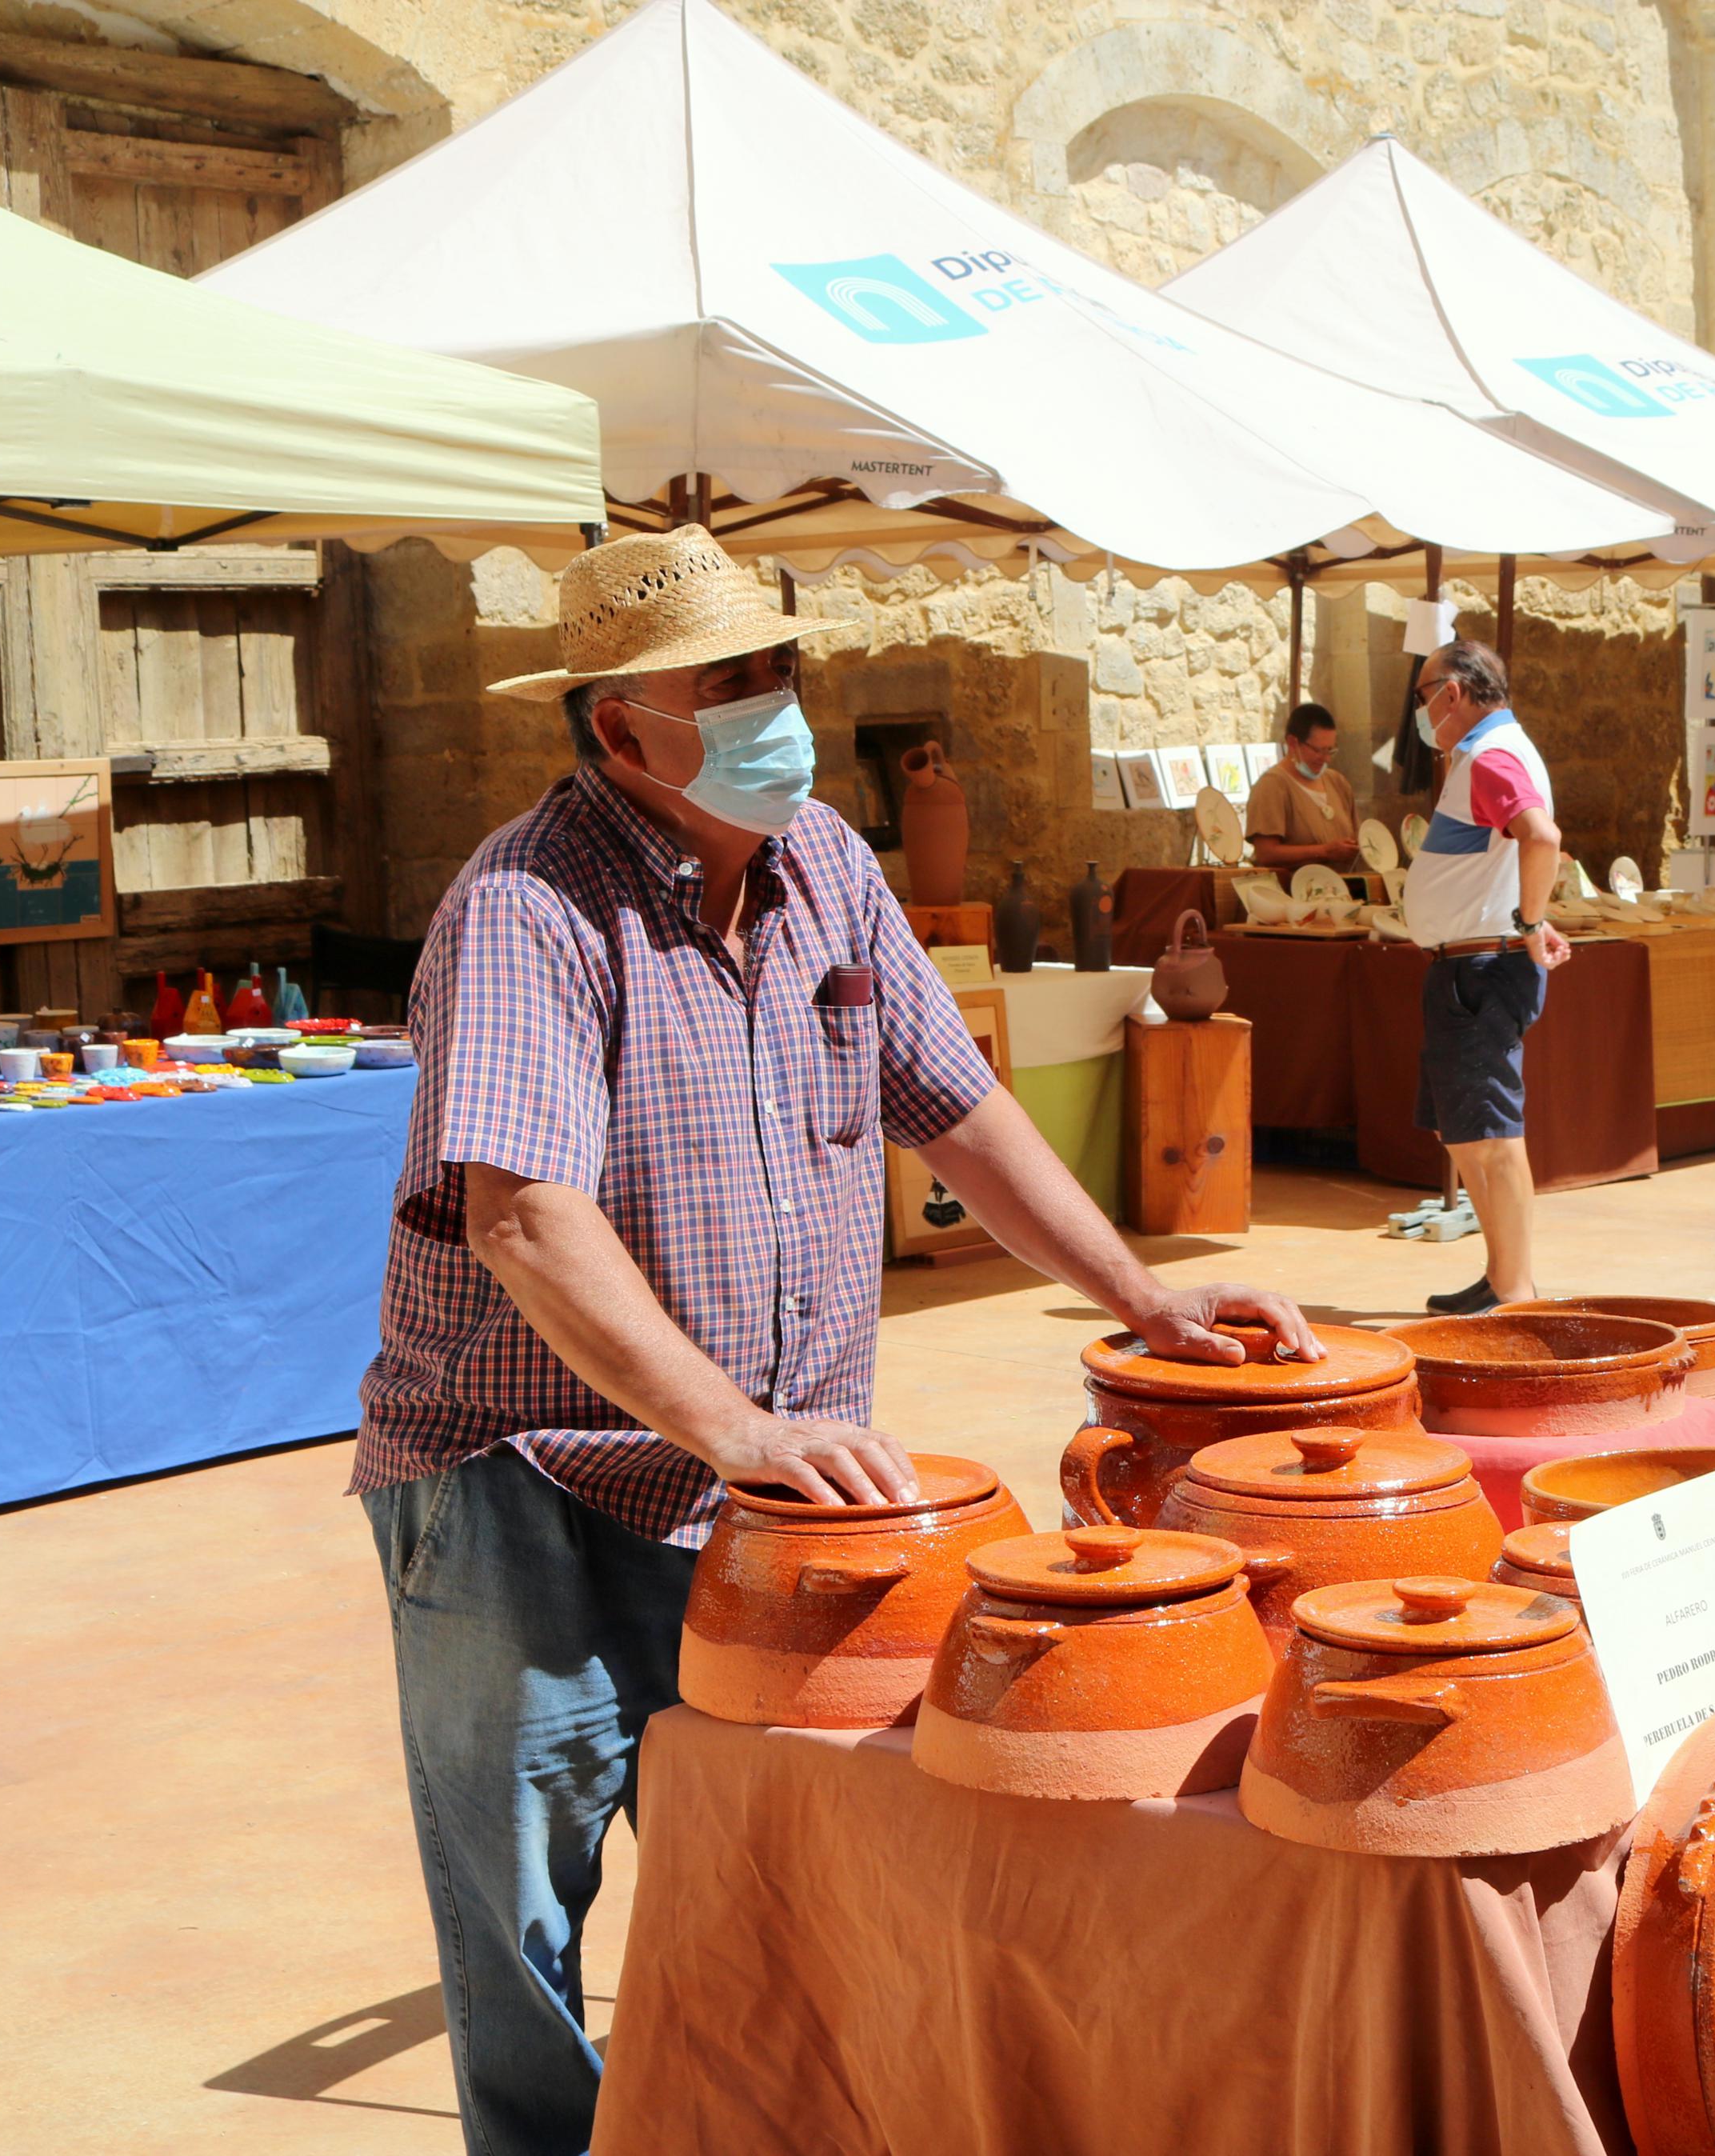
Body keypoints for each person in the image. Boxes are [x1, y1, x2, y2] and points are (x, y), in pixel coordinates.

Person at [354, 526, 1321, 2156]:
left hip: (774, 1498)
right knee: (525, 1914)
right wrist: (734, 1425)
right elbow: (524, 1219)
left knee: (775, 1878)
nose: (771, 708)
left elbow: (958, 1111)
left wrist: (1140, 1293)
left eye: (777, 670)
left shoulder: (824, 866)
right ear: (618, 731)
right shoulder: (527, 906)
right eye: (725, 683)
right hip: (532, 1481)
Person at [1403, 638, 1572, 1315]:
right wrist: (1529, 916)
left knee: (1492, 1139)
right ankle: (1502, 1275)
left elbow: (1541, 836)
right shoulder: (1492, 752)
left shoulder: (1489, 754)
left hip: (1478, 967)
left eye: (1422, 695)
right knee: (1468, 1133)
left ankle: (1513, 1292)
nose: (1420, 711)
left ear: (1452, 692)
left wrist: (1529, 923)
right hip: (1473, 961)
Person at [1244, 700, 1361, 869]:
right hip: (1293, 891)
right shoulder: (1272, 786)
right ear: (1293, 743)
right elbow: (1266, 854)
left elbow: (1357, 838)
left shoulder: (1338, 783)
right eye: (1318, 750)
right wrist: (1325, 851)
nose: (1326, 759)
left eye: (1330, 750)